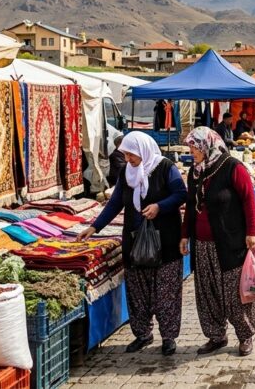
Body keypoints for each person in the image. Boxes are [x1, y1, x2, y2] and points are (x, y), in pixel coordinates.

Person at [78, 132, 187, 356]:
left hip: (165, 241)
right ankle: (143, 334)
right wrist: (94, 227)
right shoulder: (126, 173)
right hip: (134, 241)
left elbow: (181, 194)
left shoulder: (165, 167)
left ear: (143, 150)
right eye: (126, 154)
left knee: (166, 293)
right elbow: (116, 202)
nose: (128, 159)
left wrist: (160, 206)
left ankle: (168, 338)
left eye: (131, 154)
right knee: (138, 292)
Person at [180, 128, 255, 356]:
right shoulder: (195, 172)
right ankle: (216, 335)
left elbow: (249, 200)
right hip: (202, 245)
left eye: (194, 146)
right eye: (190, 147)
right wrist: (185, 235)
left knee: (235, 293)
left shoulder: (232, 167)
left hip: (230, 242)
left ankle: (245, 335)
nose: (191, 151)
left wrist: (252, 232)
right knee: (207, 293)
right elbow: (190, 207)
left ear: (206, 145)